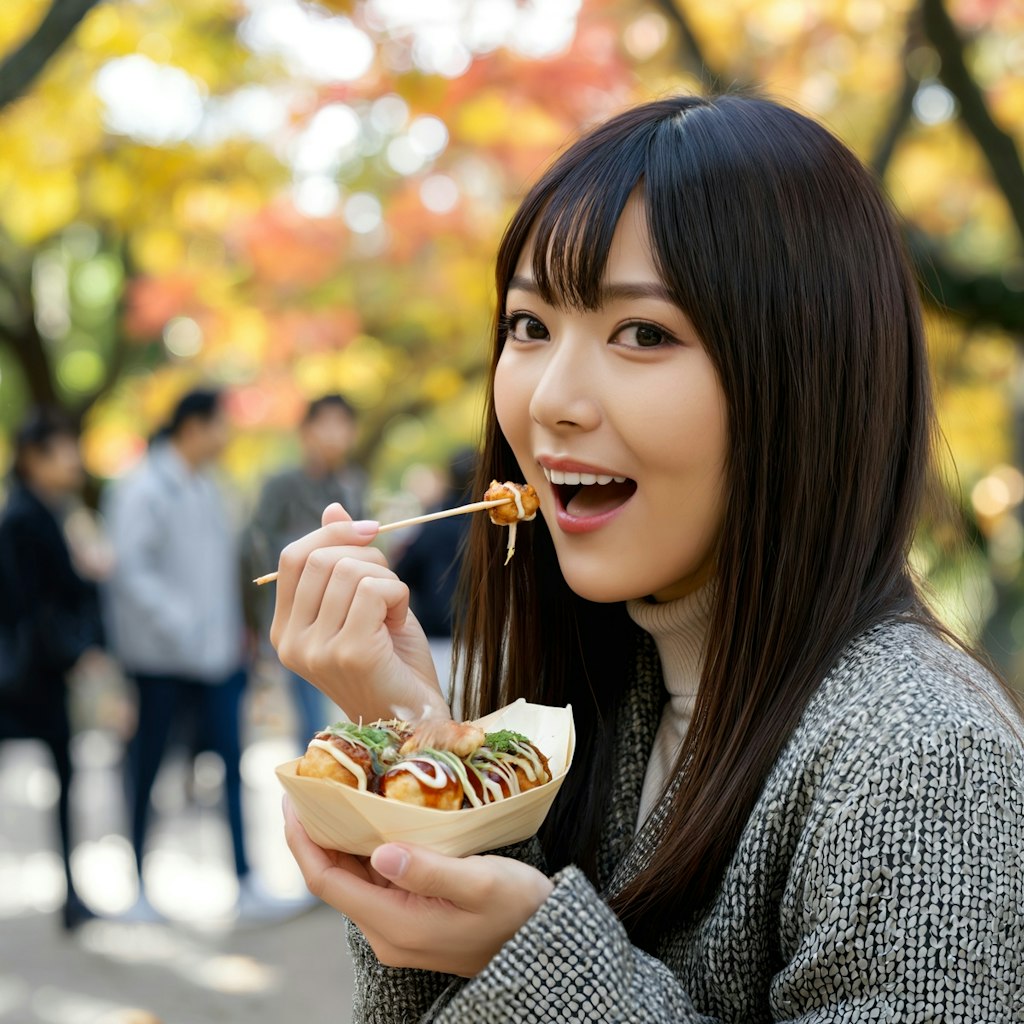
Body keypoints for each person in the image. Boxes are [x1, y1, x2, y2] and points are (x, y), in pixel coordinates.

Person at [269, 94, 1024, 1021]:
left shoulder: (920, 759)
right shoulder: (609, 686)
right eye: (529, 326)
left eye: (644, 334)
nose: (551, 400)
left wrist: (541, 966)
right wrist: (419, 741)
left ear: (805, 380)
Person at [104, 388, 281, 922]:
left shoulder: (211, 488)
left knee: (231, 765)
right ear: (193, 427)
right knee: (147, 767)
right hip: (159, 659)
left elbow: (225, 578)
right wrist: (185, 625)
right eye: (219, 426)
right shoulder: (143, 488)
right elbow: (131, 571)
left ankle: (245, 881)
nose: (226, 438)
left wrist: (235, 637)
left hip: (217, 658)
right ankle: (136, 887)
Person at [0, 408, 106, 932]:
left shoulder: (48, 511)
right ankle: (69, 895)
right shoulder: (24, 518)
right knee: (63, 777)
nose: (73, 458)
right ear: (31, 457)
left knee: (66, 777)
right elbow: (33, 604)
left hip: (33, 673)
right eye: (61, 448)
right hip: (23, 676)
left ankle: (70, 893)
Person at [243, 393, 368, 743]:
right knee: (313, 722)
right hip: (298, 616)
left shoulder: (354, 482)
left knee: (350, 718)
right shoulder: (281, 485)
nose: (333, 433)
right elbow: (256, 550)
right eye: (324, 423)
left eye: (342, 424)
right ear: (306, 431)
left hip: (345, 617)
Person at [393, 446, 477, 697]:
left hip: (437, 640)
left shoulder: (431, 526)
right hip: (487, 640)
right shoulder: (494, 529)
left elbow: (402, 574)